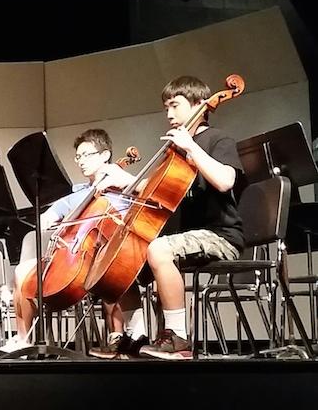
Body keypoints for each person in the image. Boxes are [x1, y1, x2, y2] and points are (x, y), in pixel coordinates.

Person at [92, 76, 244, 360]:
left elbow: (225, 181)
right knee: (121, 259)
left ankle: (178, 337)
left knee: (159, 248)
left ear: (200, 104)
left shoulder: (217, 139)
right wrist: (124, 180)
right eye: (166, 108)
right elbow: (156, 190)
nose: (170, 114)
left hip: (220, 236)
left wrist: (192, 147)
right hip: (184, 238)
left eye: (175, 105)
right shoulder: (176, 150)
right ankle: (136, 335)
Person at [0, 129, 147, 356]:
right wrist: (56, 224)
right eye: (78, 157)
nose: (81, 162)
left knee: (111, 266)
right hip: (73, 259)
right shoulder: (78, 193)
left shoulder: (123, 189)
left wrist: (122, 183)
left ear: (105, 155)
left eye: (86, 155)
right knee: (22, 271)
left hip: (111, 258)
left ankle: (126, 333)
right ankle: (22, 339)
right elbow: (46, 219)